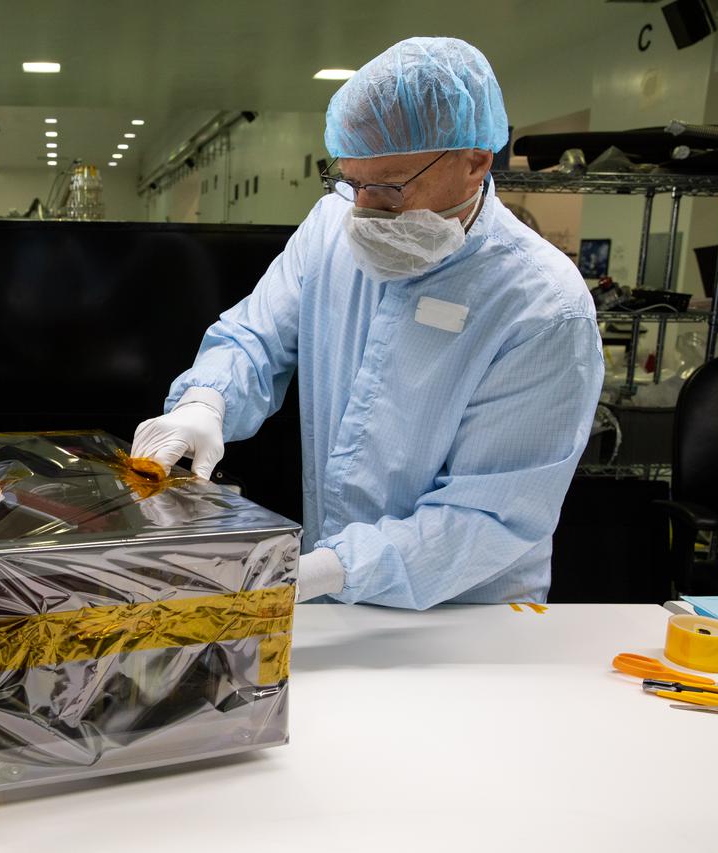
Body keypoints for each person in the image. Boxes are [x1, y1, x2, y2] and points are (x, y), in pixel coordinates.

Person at [132, 37, 603, 609]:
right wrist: (205, 402)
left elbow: (487, 515)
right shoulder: (331, 227)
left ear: (475, 161)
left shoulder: (543, 306)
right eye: (353, 181)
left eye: (391, 186)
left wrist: (324, 571)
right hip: (333, 595)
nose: (365, 208)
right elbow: (255, 339)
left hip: (468, 619)